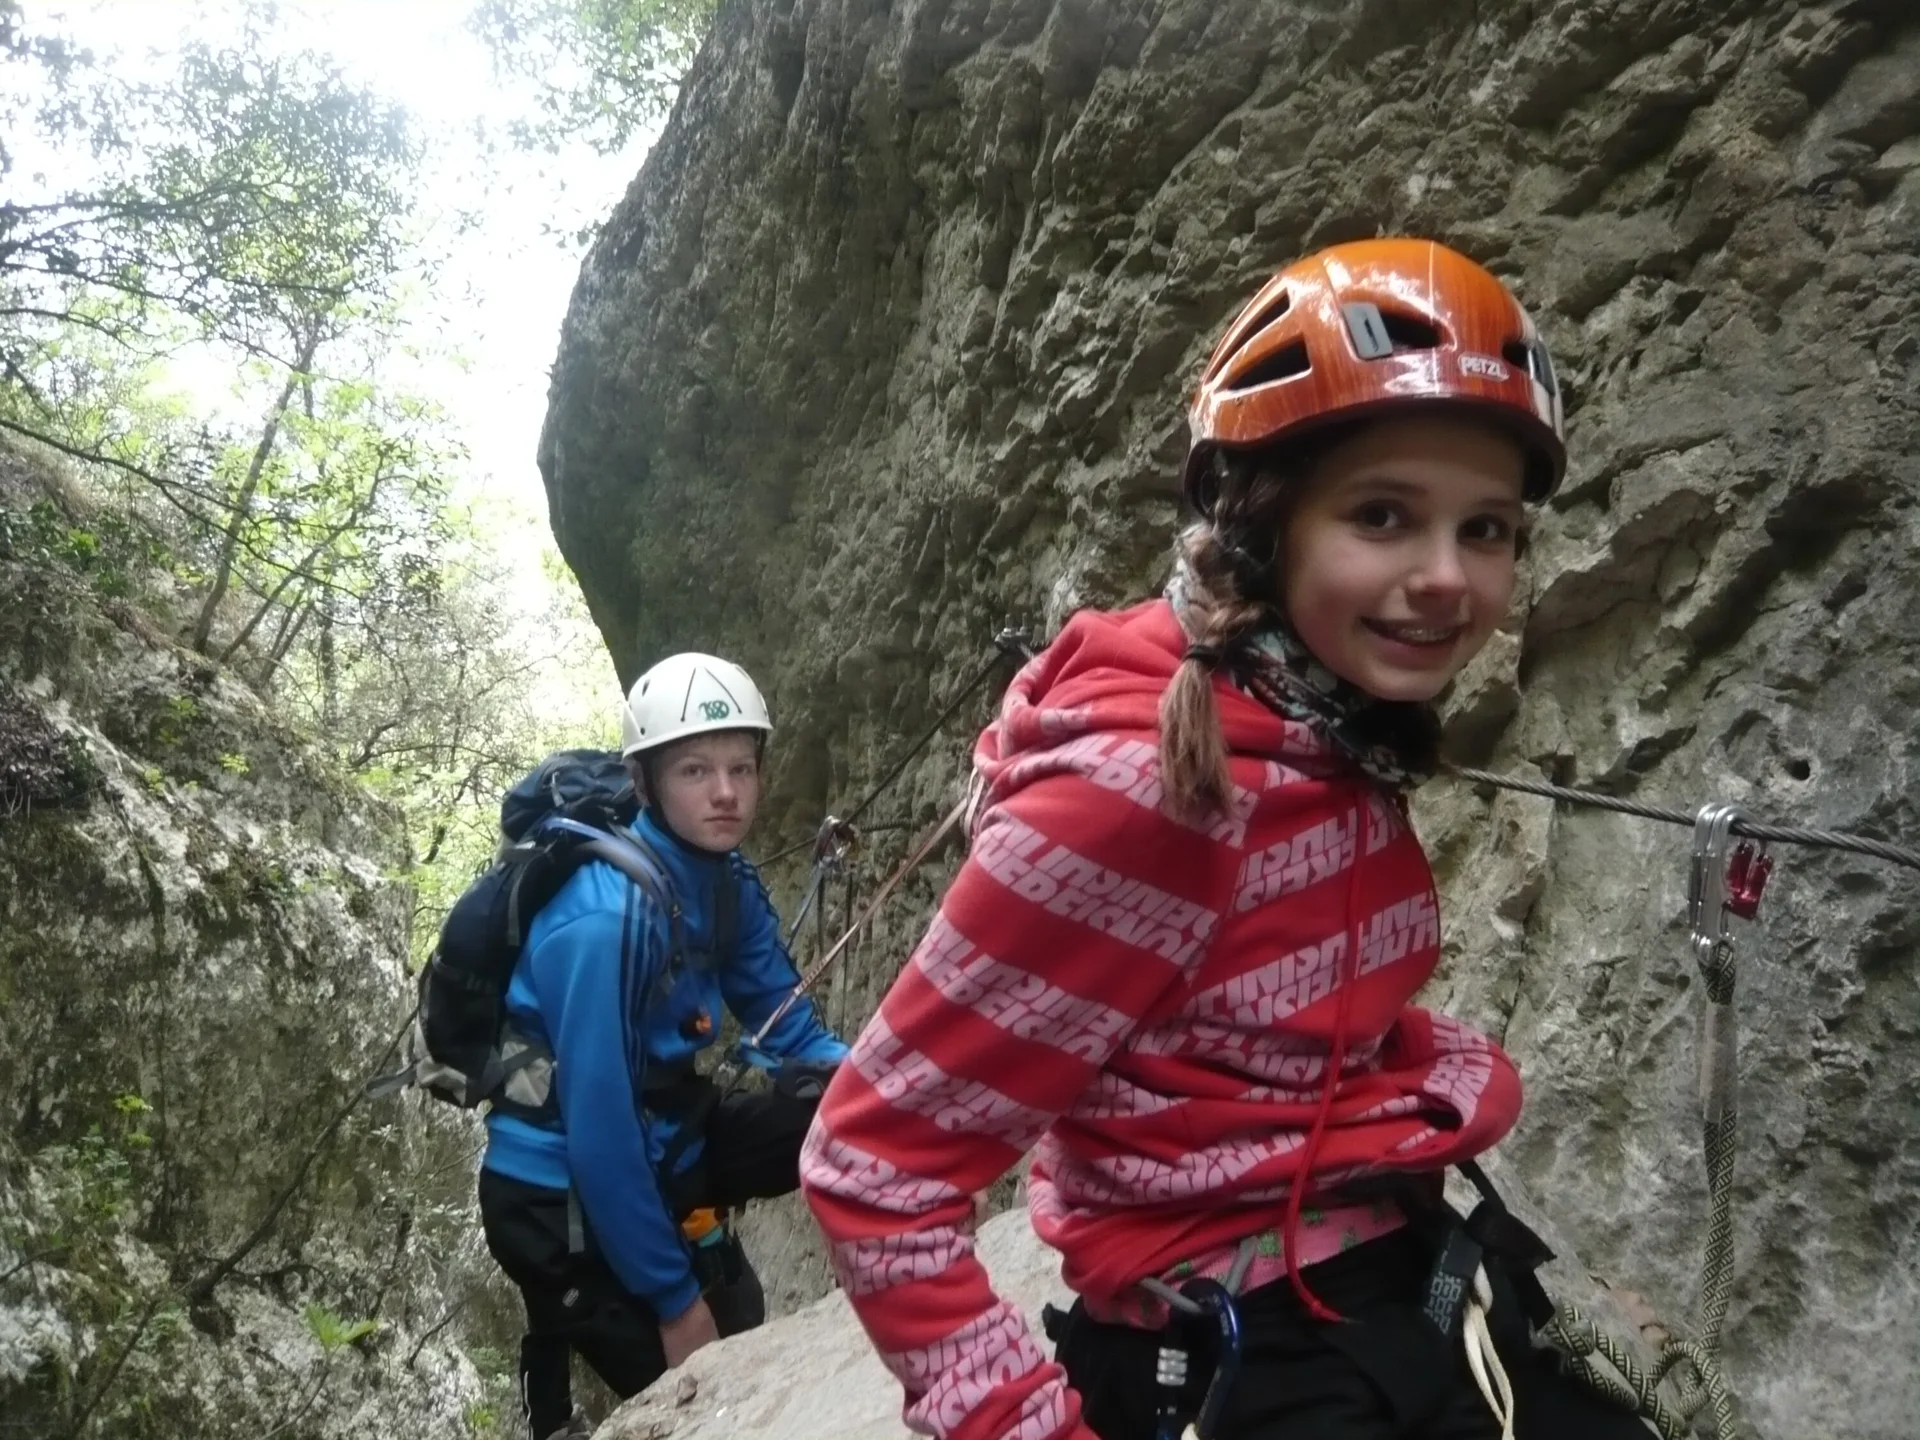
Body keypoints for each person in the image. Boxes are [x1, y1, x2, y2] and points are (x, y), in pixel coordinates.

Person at [801, 239, 1652, 1440]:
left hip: (1388, 1282)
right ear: (1261, 520)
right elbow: (874, 1169)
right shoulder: (1138, 795)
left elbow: (1242, 1019)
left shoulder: (1316, 721)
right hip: (1257, 1353)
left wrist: (1414, 1073)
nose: (1446, 578)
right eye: (1382, 515)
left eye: (1488, 529)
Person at [478, 652, 849, 1440]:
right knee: (705, 1394)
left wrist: (903, 1109)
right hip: (554, 1193)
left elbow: (792, 1030)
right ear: (643, 783)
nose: (726, 792)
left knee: (841, 1112)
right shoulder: (605, 917)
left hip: (663, 1139)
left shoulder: (722, 881)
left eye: (741, 767)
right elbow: (599, 1132)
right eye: (695, 770)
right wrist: (676, 1303)